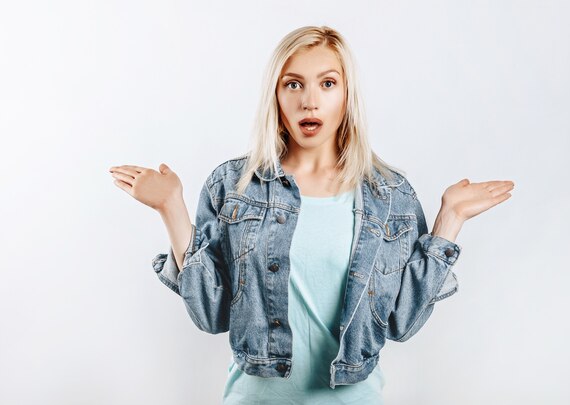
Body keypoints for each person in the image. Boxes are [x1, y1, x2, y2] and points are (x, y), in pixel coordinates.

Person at [109, 25, 514, 404]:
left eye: (327, 83)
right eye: (293, 84)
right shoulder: (233, 184)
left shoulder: (389, 195)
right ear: (277, 95)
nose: (309, 100)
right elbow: (209, 314)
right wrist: (171, 207)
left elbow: (401, 323)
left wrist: (450, 220)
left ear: (346, 95)